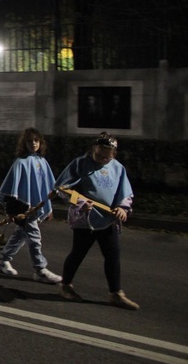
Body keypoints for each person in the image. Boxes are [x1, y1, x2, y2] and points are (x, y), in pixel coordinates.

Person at [53, 132, 139, 310]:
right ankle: (65, 285)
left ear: (113, 155)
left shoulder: (117, 168)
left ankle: (115, 293)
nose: (101, 159)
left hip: (107, 220)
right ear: (93, 148)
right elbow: (62, 188)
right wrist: (80, 201)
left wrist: (123, 208)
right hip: (85, 219)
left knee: (113, 255)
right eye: (98, 155)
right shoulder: (80, 164)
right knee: (78, 253)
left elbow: (126, 192)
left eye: (106, 157)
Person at [0, 128, 62, 284]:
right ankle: (40, 269)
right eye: (30, 141)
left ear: (40, 143)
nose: (33, 143)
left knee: (20, 235)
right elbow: (12, 188)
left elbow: (48, 187)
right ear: (24, 143)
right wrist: (12, 210)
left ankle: (2, 260)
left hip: (36, 207)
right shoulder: (20, 162)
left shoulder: (42, 161)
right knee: (34, 237)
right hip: (23, 207)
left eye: (36, 140)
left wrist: (48, 207)